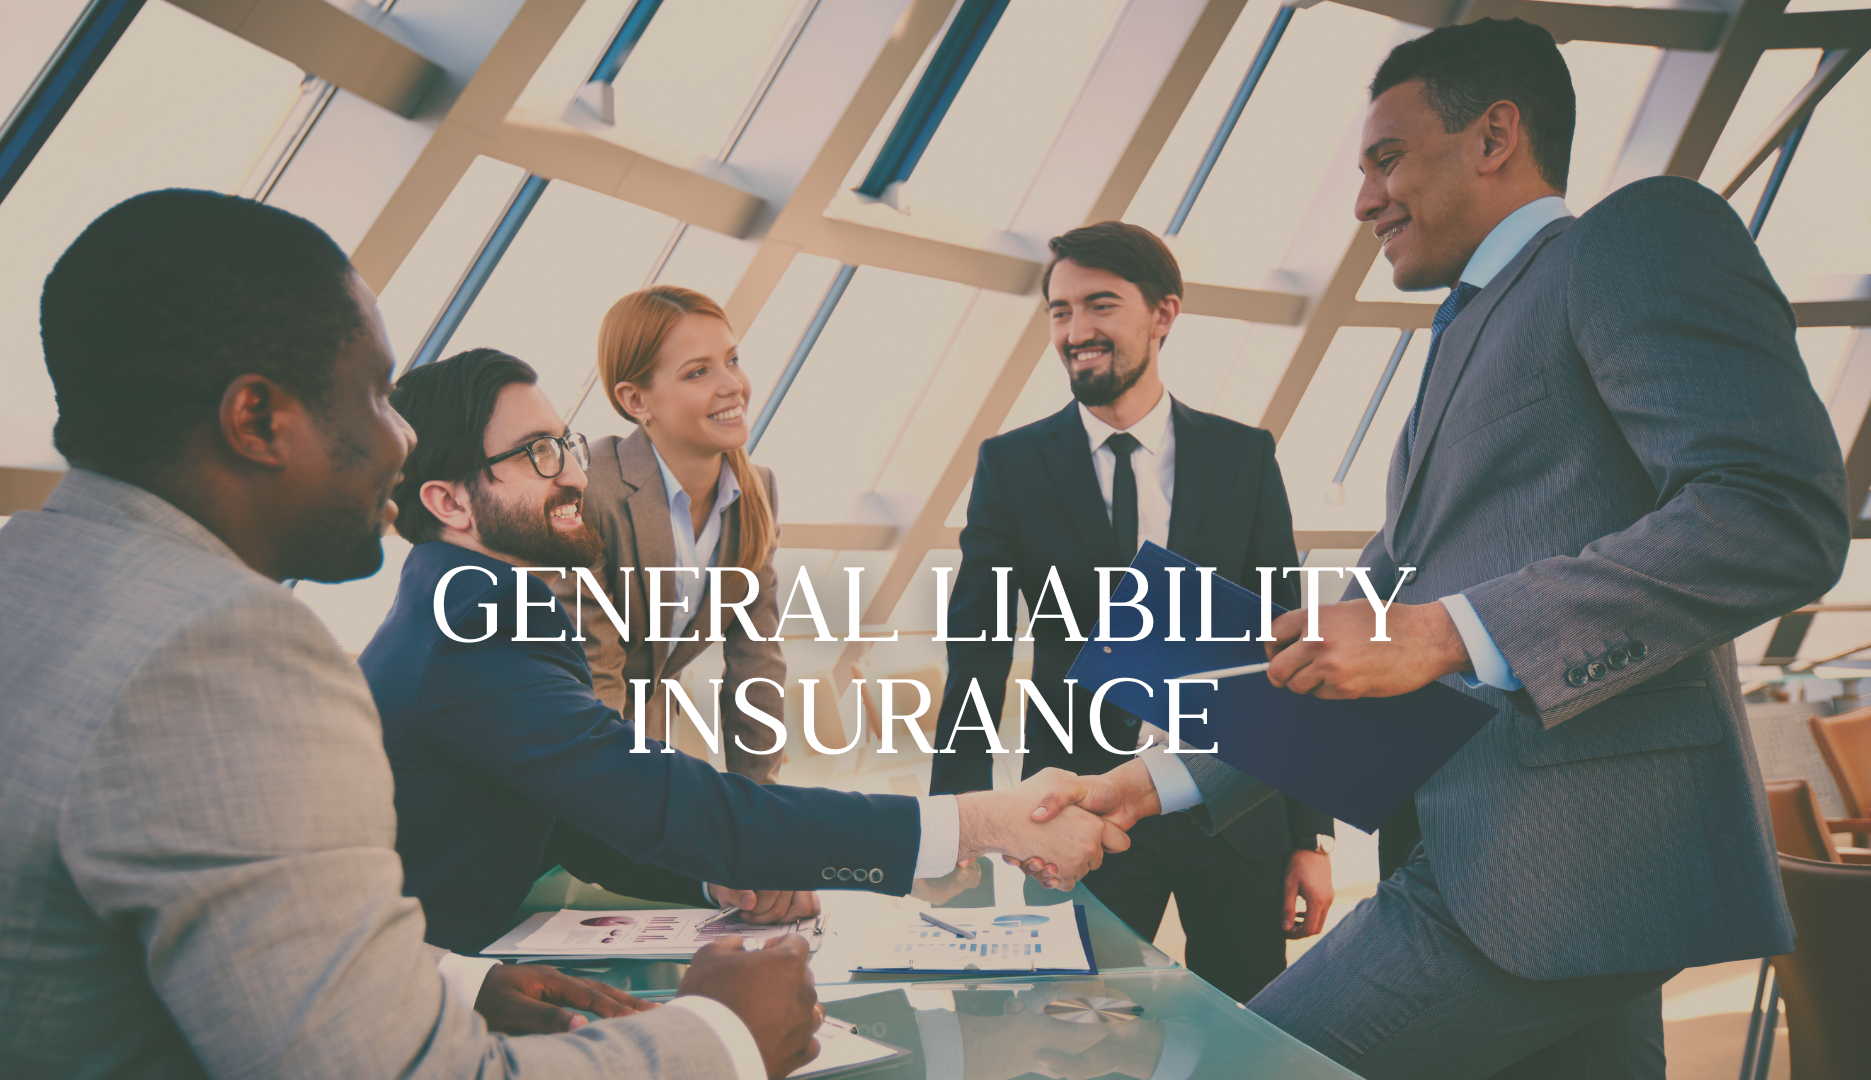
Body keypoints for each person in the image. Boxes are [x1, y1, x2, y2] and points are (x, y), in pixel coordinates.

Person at [1033, 19, 1850, 1079]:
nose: (1365, 198)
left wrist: (1451, 633)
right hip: (1526, 885)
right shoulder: (1463, 332)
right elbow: (1347, 644)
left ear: (1495, 136)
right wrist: (1149, 784)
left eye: (1386, 159)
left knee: (1235, 1065)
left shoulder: (1634, 240)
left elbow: (1774, 511)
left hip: (1553, 867)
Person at [0, 189, 826, 1080]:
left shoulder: (6, 586)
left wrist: (450, 984)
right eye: (373, 395)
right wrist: (722, 1038)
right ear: (256, 419)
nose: (402, 444)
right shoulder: (222, 651)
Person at [365, 348, 1128, 953]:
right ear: (449, 500)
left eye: (564, 442)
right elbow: (660, 799)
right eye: (536, 454)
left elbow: (581, 817)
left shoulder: (473, 600)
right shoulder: (481, 616)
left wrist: (718, 883)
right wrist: (981, 821)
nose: (571, 469)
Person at [927, 220, 1335, 1002]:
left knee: (1248, 1035)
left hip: (1235, 806)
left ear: (1164, 314)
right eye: (1059, 311)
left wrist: (1307, 834)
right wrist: (960, 825)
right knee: (1073, 1033)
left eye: (1100, 306)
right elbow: (975, 649)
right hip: (1077, 809)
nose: (1075, 332)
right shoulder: (1010, 466)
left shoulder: (1243, 457)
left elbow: (1288, 645)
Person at [575, 286, 785, 783]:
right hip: (579, 747)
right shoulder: (591, 490)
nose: (732, 384)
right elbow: (596, 672)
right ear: (635, 400)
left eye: (732, 360)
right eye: (698, 371)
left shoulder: (758, 490)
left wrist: (757, 810)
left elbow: (758, 666)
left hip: (653, 738)